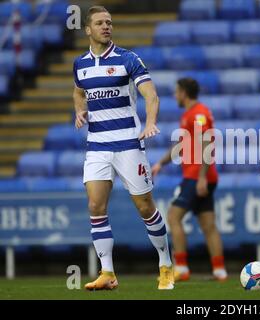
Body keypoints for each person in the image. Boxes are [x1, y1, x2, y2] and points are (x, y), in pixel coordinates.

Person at [72, 6, 174, 291]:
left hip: (128, 143)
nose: (107, 27)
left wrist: (150, 123)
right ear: (88, 30)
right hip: (97, 145)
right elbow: (78, 91)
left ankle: (165, 262)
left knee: (144, 206)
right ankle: (107, 273)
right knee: (95, 206)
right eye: (100, 23)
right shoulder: (79, 64)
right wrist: (80, 111)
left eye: (110, 22)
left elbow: (151, 95)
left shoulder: (128, 59)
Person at [151, 78, 227, 282]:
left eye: (176, 92)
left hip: (196, 176)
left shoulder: (198, 113)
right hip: (202, 176)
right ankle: (219, 271)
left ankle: (182, 268)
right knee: (208, 224)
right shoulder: (189, 115)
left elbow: (206, 144)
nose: (175, 96)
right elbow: (181, 147)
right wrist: (160, 163)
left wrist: (201, 177)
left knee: (173, 217)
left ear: (184, 92)